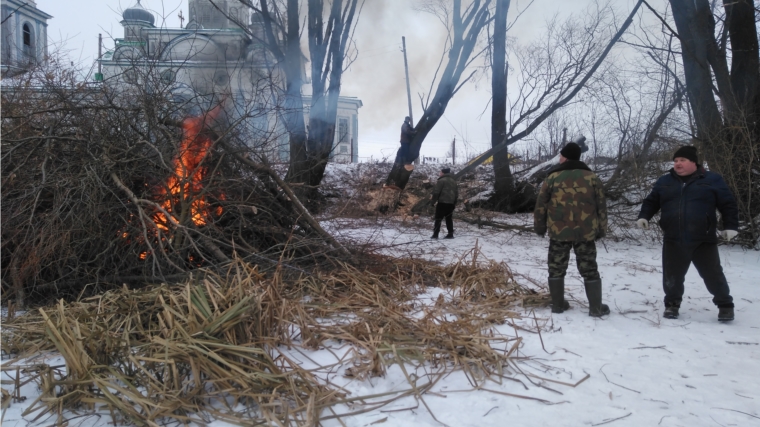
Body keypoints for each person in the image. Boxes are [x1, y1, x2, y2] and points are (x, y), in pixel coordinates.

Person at [637, 145, 739, 321]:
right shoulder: (665, 181)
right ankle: (672, 305)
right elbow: (651, 201)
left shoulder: (712, 179)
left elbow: (727, 204)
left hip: (702, 238)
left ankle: (725, 305)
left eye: (682, 160)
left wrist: (731, 226)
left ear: (694, 162)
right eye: (676, 161)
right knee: (672, 276)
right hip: (673, 237)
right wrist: (644, 216)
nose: (678, 164)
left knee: (713, 274)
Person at [534, 142, 609, 317]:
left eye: (561, 156)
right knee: (589, 267)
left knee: (556, 266)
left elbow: (541, 205)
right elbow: (601, 206)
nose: (559, 159)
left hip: (559, 232)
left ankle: (558, 305)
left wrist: (539, 226)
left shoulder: (552, 177)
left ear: (566, 157)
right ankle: (596, 308)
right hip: (586, 232)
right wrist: (601, 229)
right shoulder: (592, 177)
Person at [431, 167, 458, 239]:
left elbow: (436, 192)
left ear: (443, 173)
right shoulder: (454, 181)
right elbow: (456, 194)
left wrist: (433, 202)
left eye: (440, 172)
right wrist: (454, 203)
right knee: (449, 219)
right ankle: (450, 234)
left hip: (442, 203)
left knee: (438, 219)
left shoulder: (441, 181)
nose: (439, 173)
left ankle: (435, 234)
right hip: (451, 204)